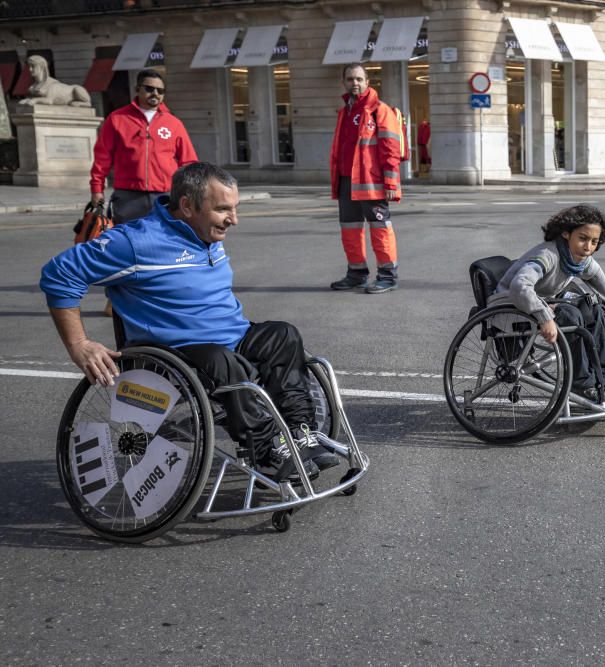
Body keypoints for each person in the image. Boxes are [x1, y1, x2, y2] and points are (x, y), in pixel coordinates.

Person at [41, 162, 335, 481]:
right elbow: (59, 273)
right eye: (223, 209)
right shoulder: (134, 242)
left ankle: (301, 434)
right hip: (176, 355)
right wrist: (79, 344)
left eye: (234, 208)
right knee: (223, 362)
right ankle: (265, 449)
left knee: (282, 335)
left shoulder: (203, 230)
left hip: (228, 339)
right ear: (186, 206)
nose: (233, 220)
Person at [489, 204, 605, 403]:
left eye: (594, 241)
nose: (588, 247)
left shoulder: (578, 258)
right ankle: (582, 384)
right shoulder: (548, 255)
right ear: (566, 233)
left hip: (543, 301)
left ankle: (602, 379)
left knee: (595, 310)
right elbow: (519, 286)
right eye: (582, 238)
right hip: (510, 304)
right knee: (569, 315)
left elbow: (596, 276)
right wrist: (544, 316)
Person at [329, 62, 403, 294]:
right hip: (345, 180)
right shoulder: (344, 112)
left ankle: (388, 276)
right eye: (350, 79)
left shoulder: (379, 110)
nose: (355, 83)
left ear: (368, 82)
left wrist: (391, 182)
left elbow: (391, 148)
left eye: (359, 79)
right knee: (349, 229)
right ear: (344, 82)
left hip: (372, 183)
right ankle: (357, 274)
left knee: (379, 227)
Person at [90, 69, 198, 224]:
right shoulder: (117, 119)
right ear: (137, 89)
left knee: (164, 243)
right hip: (128, 196)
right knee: (128, 243)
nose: (155, 93)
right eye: (149, 88)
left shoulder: (174, 123)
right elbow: (102, 157)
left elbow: (189, 161)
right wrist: (96, 188)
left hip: (165, 195)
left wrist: (189, 190)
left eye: (160, 91)